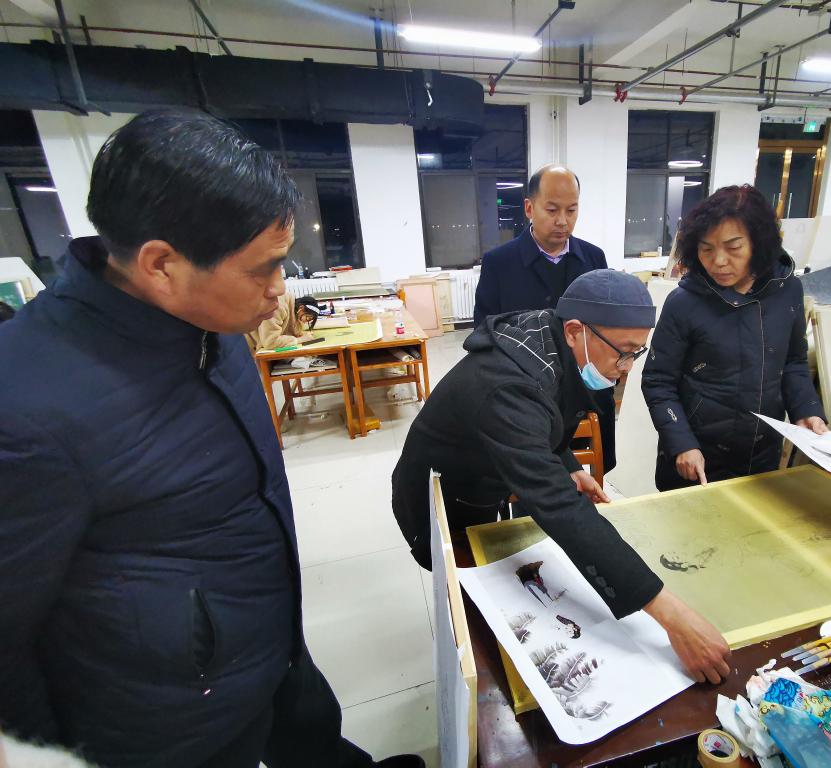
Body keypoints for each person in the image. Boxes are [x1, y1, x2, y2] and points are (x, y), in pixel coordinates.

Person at [0, 110, 420, 768]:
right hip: (182, 718)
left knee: (318, 740)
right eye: (264, 269)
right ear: (162, 264)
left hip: (272, 646)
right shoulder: (26, 407)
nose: (279, 290)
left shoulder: (208, 323)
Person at [393, 270, 733, 685]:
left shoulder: (553, 343)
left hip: (486, 473)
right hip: (443, 494)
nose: (627, 368)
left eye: (636, 353)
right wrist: (673, 617)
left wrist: (569, 465)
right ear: (575, 331)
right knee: (470, 596)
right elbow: (560, 508)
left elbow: (548, 419)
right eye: (623, 353)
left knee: (498, 566)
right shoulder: (508, 384)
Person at [641, 185, 828, 492]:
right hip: (698, 457)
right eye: (706, 249)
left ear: (759, 243)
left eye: (733, 247)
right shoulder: (684, 302)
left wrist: (806, 408)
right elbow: (658, 381)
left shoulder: (787, 291)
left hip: (762, 453)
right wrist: (681, 443)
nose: (719, 261)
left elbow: (793, 361)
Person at [472, 164, 619, 472]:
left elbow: (606, 328)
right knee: (530, 477)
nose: (562, 221)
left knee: (590, 473)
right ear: (529, 208)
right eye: (552, 210)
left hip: (585, 392)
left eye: (571, 210)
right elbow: (484, 333)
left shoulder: (594, 258)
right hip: (526, 395)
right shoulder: (500, 263)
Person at [245, 293, 319, 352]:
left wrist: (302, 335)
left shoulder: (292, 307)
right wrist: (299, 340)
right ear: (301, 308)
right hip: (247, 344)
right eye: (307, 318)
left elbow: (293, 329)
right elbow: (271, 342)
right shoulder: (276, 308)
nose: (305, 322)